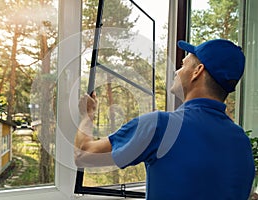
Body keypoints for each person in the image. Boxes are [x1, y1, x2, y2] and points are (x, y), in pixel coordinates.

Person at [74, 39, 255, 199]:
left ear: (197, 71)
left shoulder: (161, 126)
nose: (177, 71)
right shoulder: (242, 143)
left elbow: (84, 155)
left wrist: (87, 116)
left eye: (184, 65)